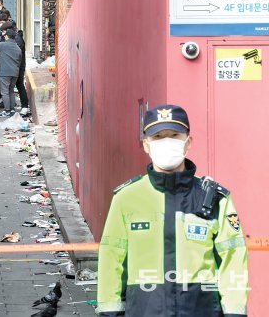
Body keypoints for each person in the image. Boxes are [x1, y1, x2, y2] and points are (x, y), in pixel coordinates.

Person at [97, 105, 249, 317]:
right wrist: (110, 311)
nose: (166, 142)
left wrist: (235, 312)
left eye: (174, 135)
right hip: (145, 310)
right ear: (146, 145)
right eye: (158, 136)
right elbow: (111, 259)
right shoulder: (126, 198)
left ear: (188, 142)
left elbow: (233, 258)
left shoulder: (214, 198)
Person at [13, 29, 30, 116]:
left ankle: (25, 106)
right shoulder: (16, 37)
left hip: (19, 66)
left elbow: (16, 53)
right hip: (17, 65)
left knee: (19, 85)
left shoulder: (17, 39)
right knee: (18, 85)